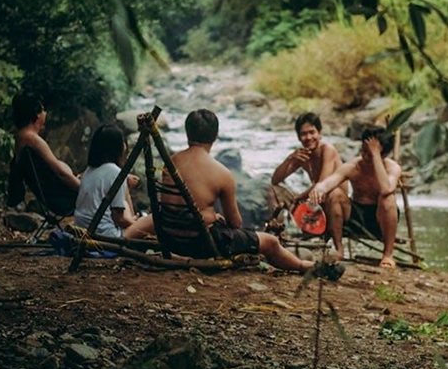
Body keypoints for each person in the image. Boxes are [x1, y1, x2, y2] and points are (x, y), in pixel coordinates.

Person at [141, 109, 318, 273]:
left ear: (187, 133)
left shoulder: (170, 163)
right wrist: (215, 218)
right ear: (216, 135)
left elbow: (176, 208)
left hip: (169, 237)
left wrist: (209, 216)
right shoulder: (222, 173)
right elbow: (235, 223)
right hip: (199, 244)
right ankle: (303, 266)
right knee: (270, 242)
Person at [308, 126, 403, 268]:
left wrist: (375, 154)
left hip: (380, 218)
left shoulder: (392, 167)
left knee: (388, 198)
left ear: (383, 155)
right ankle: (339, 249)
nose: (365, 156)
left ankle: (388, 254)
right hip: (355, 215)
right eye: (363, 150)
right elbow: (331, 180)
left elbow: (386, 188)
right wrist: (319, 189)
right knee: (335, 194)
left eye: (369, 153)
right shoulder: (353, 166)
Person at [267, 112, 345, 237]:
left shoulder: (327, 150)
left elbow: (323, 184)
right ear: (298, 137)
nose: (308, 137)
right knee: (273, 190)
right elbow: (275, 180)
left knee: (330, 193)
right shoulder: (303, 154)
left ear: (320, 133)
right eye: (303, 134)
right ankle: (277, 230)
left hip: (334, 202)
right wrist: (290, 159)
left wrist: (301, 196)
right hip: (314, 199)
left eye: (312, 132)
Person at [9, 92, 79, 211]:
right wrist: (83, 188)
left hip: (52, 198)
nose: (45, 113)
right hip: (64, 200)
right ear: (36, 113)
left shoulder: (21, 137)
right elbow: (61, 173)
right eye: (43, 109)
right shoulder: (32, 139)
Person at [73, 124, 143, 238]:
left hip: (82, 230)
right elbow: (119, 219)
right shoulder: (114, 172)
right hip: (106, 236)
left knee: (123, 188)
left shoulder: (89, 170)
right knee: (152, 221)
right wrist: (136, 225)